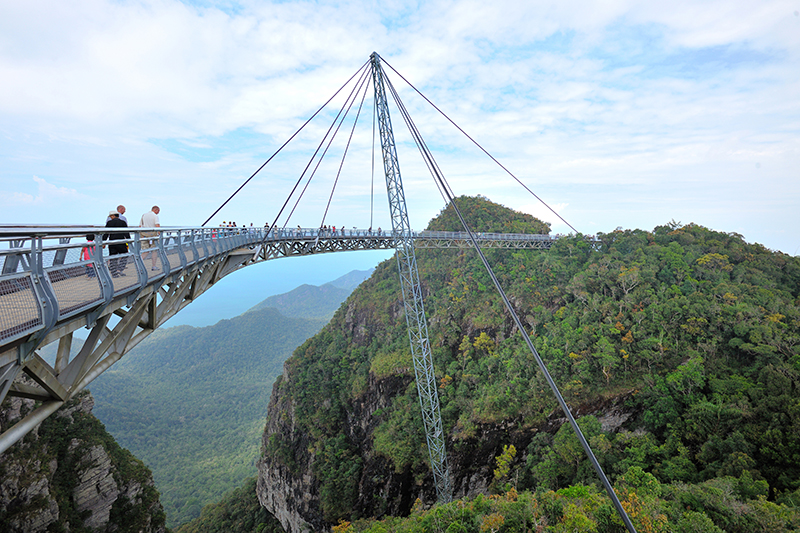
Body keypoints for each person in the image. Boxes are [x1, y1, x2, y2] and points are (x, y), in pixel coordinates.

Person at [103, 211, 130, 278]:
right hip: (121, 242)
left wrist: (103, 242)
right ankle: (120, 269)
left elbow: (106, 233)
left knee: (113, 258)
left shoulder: (109, 223)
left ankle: (114, 273)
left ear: (112, 216)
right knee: (125, 255)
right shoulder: (123, 222)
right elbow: (126, 233)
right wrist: (129, 241)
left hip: (112, 243)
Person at [140, 206, 161, 270]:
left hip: (144, 235)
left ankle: (139, 264)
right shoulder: (155, 216)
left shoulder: (144, 215)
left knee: (145, 251)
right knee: (154, 251)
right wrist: (160, 233)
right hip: (153, 236)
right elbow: (157, 225)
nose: (158, 213)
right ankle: (153, 266)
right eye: (158, 211)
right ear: (156, 210)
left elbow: (140, 226)